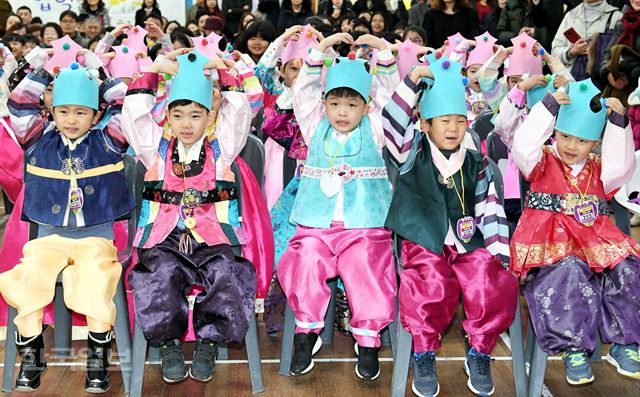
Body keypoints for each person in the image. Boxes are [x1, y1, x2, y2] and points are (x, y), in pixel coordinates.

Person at [122, 49, 260, 384]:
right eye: (179, 114)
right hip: (165, 240)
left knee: (229, 272)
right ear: (167, 116)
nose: (186, 123)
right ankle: (168, 342)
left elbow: (240, 113)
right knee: (158, 273)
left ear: (210, 117)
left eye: (196, 115)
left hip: (213, 240)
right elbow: (134, 116)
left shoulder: (224, 147)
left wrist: (226, 74)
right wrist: (153, 70)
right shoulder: (153, 147)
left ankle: (209, 342)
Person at [0, 48, 133, 393]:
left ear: (95, 114)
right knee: (28, 277)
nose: (71, 119)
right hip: (47, 238)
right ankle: (32, 353)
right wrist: (39, 70)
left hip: (96, 239)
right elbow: (19, 106)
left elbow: (126, 106)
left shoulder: (110, 140)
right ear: (51, 112)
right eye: (63, 111)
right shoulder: (37, 141)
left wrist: (98, 72)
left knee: (93, 278)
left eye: (80, 112)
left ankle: (98, 357)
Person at [277, 32, 399, 380]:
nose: (342, 112)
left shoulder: (375, 128)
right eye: (335, 103)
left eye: (352, 105)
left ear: (366, 106)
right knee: (306, 258)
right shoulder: (315, 126)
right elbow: (303, 91)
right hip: (318, 226)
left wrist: (384, 51)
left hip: (364, 228)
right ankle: (307, 331)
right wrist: (320, 48)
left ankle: (368, 338)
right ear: (326, 103)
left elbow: (391, 97)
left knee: (365, 266)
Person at [511, 79, 640, 385]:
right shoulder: (541, 162)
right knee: (568, 270)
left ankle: (626, 343)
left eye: (581, 141)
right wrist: (549, 107)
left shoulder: (599, 169)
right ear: (554, 133)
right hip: (549, 241)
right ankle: (573, 348)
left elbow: (622, 168)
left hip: (594, 239)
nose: (571, 146)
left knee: (629, 266)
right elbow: (523, 145)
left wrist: (619, 123)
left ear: (595, 143)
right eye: (564, 136)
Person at [551, 0, 621, 77]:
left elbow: (618, 56)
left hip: (598, 82)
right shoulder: (570, 16)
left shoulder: (616, 17)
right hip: (568, 82)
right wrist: (571, 52)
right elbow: (554, 52)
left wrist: (594, 51)